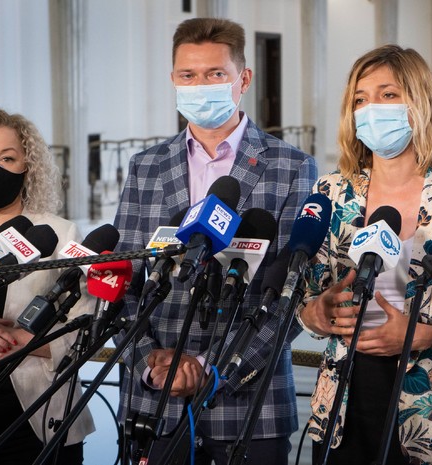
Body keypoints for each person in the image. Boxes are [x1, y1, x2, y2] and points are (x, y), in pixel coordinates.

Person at [113, 17, 317, 465]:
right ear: (173, 80)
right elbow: (122, 278)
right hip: (153, 401)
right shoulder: (145, 166)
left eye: (215, 74)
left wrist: (212, 368)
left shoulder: (292, 166)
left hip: (249, 407)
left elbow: (293, 292)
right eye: (188, 75)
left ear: (243, 79)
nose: (200, 86)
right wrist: (150, 361)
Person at [296, 45, 432, 465]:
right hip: (344, 406)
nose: (372, 108)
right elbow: (306, 300)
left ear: (419, 102)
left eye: (389, 94)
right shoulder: (330, 193)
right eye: (360, 99)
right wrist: (317, 313)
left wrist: (423, 336)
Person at [0, 105, 95, 464]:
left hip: (40, 424)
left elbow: (86, 327)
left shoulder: (60, 234)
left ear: (28, 167)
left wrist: (19, 340)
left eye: (7, 158)